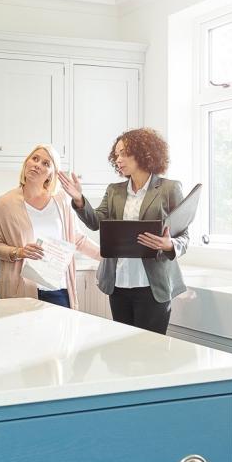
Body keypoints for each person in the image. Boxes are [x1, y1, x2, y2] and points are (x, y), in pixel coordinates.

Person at [57, 128, 189, 334]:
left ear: (144, 152)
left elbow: (184, 236)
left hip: (153, 286)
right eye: (116, 154)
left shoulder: (169, 189)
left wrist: (170, 244)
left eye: (124, 153)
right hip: (118, 284)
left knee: (150, 350)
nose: (118, 159)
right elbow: (96, 222)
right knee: (123, 352)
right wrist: (79, 200)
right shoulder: (114, 191)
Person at [0, 145, 100, 308]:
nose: (37, 164)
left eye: (46, 163)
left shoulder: (62, 200)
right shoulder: (5, 203)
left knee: (62, 333)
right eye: (35, 158)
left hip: (59, 289)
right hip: (22, 291)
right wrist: (18, 252)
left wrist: (108, 257)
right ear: (27, 162)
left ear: (51, 174)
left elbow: (77, 240)